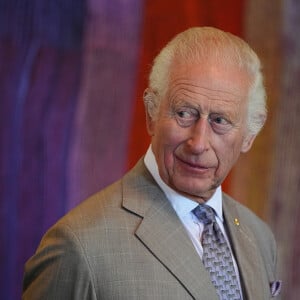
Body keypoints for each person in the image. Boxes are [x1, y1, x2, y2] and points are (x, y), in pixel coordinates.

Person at [23, 27, 281, 299]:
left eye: (219, 121)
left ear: (249, 135)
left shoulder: (259, 238)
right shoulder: (78, 246)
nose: (199, 143)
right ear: (151, 114)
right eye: (184, 113)